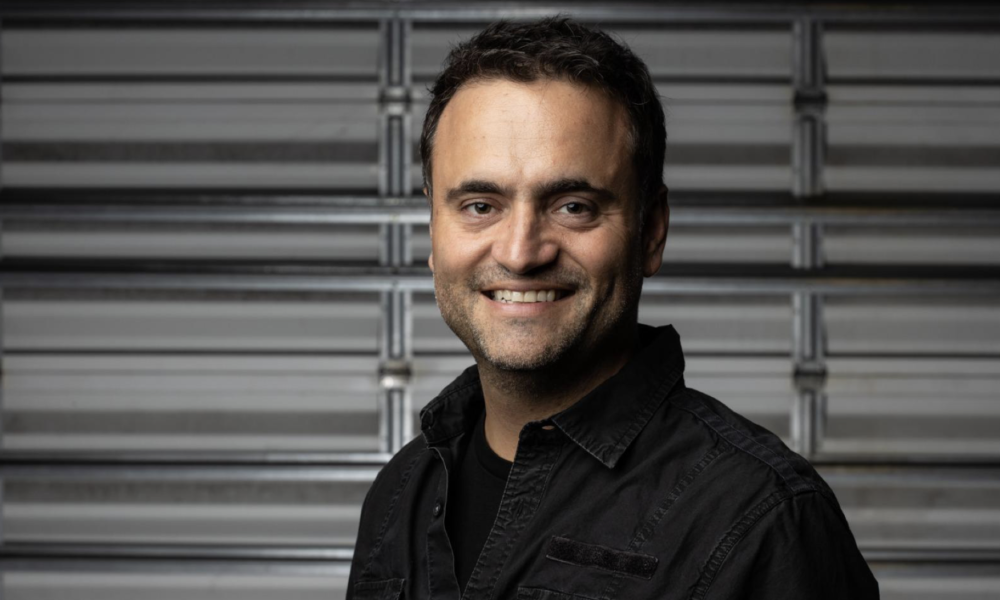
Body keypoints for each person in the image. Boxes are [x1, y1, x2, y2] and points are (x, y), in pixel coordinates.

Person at [346, 16, 879, 600]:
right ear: (433, 228)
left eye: (573, 206)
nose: (521, 253)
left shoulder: (762, 518)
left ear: (651, 230)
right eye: (480, 206)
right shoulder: (400, 493)